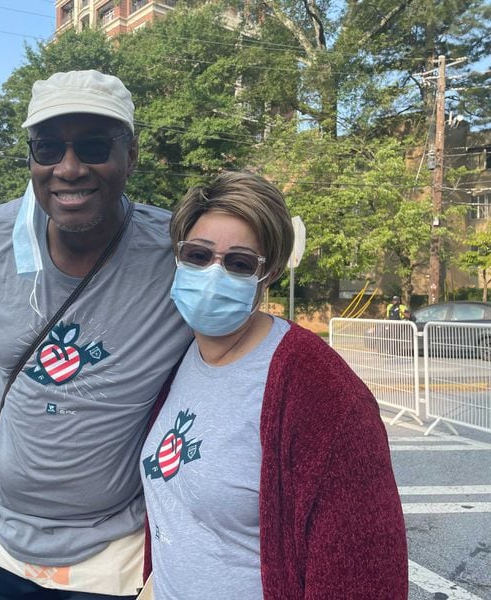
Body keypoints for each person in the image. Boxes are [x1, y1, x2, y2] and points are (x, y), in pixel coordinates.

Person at [0, 69, 192, 599]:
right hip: (2, 538)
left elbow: (240, 311)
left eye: (94, 146)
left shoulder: (177, 254)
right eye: (48, 148)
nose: (69, 169)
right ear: (31, 158)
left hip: (115, 548)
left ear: (130, 155)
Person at [139, 172, 408, 599]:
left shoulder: (321, 390)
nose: (212, 274)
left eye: (239, 263)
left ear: (271, 273)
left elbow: (365, 575)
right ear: (177, 256)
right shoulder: (179, 356)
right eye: (197, 255)